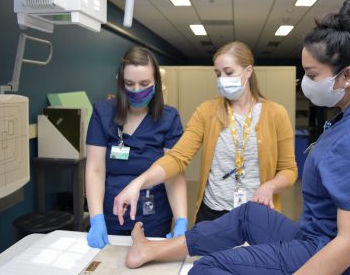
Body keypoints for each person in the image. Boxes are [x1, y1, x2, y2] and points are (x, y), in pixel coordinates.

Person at [121, 0, 350, 275]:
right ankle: (151, 248)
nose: (307, 83)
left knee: (208, 269)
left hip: (346, 259)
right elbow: (179, 155)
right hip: (318, 235)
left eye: (313, 75)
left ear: (348, 76)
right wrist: (139, 182)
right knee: (249, 214)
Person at [114, 41, 298, 226]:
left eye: (228, 72)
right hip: (213, 215)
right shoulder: (207, 111)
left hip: (258, 213)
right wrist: (139, 183)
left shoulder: (276, 113)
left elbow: (289, 169)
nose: (222, 79)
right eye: (218, 74)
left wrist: (270, 186)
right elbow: (177, 158)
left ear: (248, 71)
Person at [85, 47, 188, 248]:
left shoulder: (169, 118)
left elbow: (174, 173)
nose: (137, 90)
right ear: (121, 83)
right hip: (112, 215)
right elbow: (95, 169)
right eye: (129, 84)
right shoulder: (102, 113)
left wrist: (181, 220)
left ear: (156, 81)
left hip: (154, 217)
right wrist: (96, 218)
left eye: (144, 84)